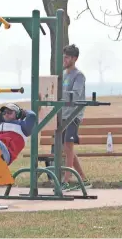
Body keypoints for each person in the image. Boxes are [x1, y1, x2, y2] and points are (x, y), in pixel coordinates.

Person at [57, 44, 91, 191]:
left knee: (68, 146)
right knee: (67, 148)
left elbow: (75, 95)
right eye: (64, 56)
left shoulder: (79, 76)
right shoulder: (63, 75)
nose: (64, 59)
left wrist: (58, 94)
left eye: (67, 57)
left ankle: (66, 180)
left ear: (74, 59)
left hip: (73, 115)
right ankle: (83, 179)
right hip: (63, 115)